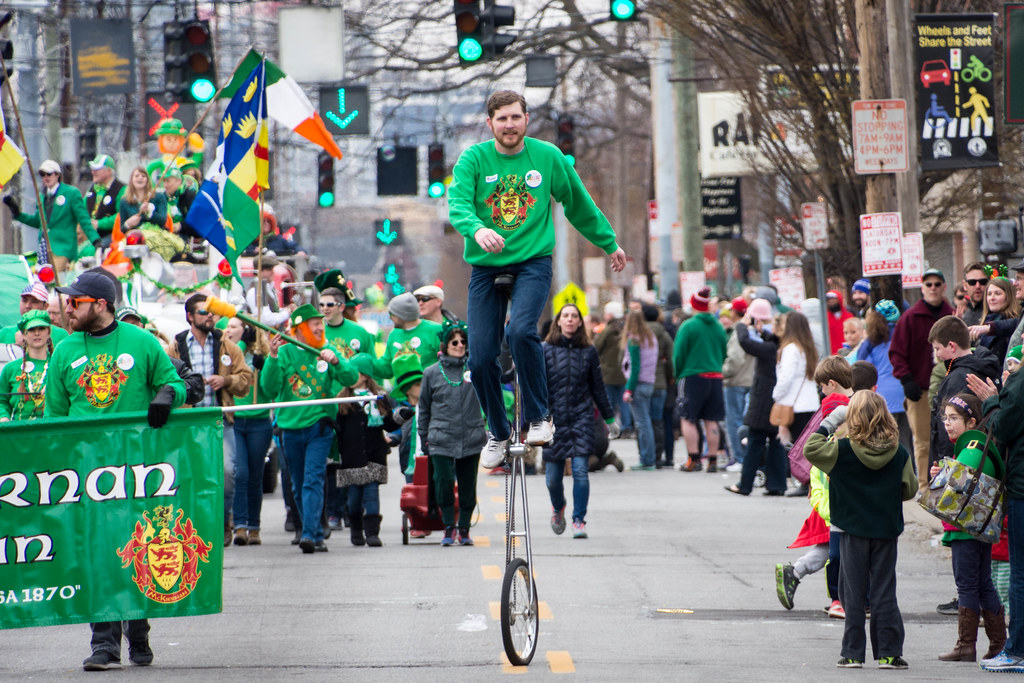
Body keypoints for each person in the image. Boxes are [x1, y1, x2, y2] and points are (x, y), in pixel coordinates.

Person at [447, 90, 625, 468]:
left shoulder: (547, 157)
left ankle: (540, 417)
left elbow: (579, 203)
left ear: (526, 119)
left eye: (515, 117)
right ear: (490, 123)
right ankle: (496, 432)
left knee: (521, 331)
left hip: (532, 262)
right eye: (501, 119)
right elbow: (459, 204)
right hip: (486, 265)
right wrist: (477, 230)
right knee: (479, 358)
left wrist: (609, 244)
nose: (509, 124)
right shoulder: (473, 159)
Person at [44, 270, 186, 672]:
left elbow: (174, 381)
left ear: (100, 305)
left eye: (76, 302)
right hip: (87, 473)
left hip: (138, 469)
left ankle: (137, 629)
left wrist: (164, 395)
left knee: (136, 548)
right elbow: (54, 416)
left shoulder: (141, 343)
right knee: (98, 556)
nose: (68, 308)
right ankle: (104, 643)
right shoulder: (64, 350)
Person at [804, 391, 917, 670]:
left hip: (850, 529)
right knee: (884, 590)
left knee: (852, 592)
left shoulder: (840, 450)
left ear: (850, 417)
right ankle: (889, 652)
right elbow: (910, 490)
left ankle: (853, 653)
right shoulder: (899, 452)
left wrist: (832, 420)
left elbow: (810, 448)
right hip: (885, 530)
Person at [260, 304, 357, 553]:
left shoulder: (327, 349)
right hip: (290, 427)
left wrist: (336, 361)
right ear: (300, 329)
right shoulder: (285, 353)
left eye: (320, 323)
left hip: (319, 426)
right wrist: (271, 357)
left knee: (313, 479)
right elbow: (269, 389)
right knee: (297, 482)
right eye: (314, 324)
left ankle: (312, 534)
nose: (319, 327)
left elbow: (350, 377)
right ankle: (310, 529)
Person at [929, 393, 1006, 662]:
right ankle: (998, 644)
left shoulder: (972, 448)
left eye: (954, 418)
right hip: (979, 528)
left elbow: (955, 484)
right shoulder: (978, 446)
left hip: (965, 528)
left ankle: (966, 645)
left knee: (967, 586)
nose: (947, 424)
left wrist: (940, 476)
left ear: (971, 421)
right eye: (945, 418)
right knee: (983, 584)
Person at [171, 294, 253, 547]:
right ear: (189, 316)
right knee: (191, 476)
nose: (209, 317)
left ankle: (223, 520)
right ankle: (198, 527)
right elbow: (163, 381)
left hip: (220, 419)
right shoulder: (175, 346)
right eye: (202, 312)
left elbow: (245, 380)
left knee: (229, 473)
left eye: (211, 313)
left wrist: (225, 380)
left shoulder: (227, 345)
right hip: (189, 423)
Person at [775, 356, 853, 614]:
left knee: (833, 542)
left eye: (821, 386)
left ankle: (796, 573)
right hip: (837, 487)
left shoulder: (835, 404)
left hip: (826, 486)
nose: (822, 392)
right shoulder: (847, 406)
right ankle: (838, 599)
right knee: (840, 544)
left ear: (831, 384)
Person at [542, 303, 617, 539]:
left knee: (580, 472)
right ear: (558, 321)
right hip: (553, 421)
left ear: (580, 322)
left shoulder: (589, 351)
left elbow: (598, 387)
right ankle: (558, 507)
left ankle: (579, 520)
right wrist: (530, 421)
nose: (571, 320)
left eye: (575, 316)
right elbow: (535, 387)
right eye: (566, 316)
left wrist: (609, 418)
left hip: (582, 418)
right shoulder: (545, 350)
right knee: (553, 478)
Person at [418, 321, 487, 546]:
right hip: (440, 437)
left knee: (469, 485)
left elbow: (491, 395)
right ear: (445, 345)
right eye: (454, 342)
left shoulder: (476, 369)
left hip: (471, 436)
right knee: (443, 481)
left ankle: (464, 529)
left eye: (463, 342)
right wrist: (423, 436)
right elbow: (424, 407)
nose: (459, 345)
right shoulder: (431, 373)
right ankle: (449, 526)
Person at [889, 268, 955, 493]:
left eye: (937, 284)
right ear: (922, 288)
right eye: (929, 284)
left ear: (944, 287)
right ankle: (925, 487)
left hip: (950, 387)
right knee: (923, 440)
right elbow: (896, 352)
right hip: (921, 390)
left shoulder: (952, 314)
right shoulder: (910, 318)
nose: (933, 288)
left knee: (949, 438)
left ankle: (950, 485)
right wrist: (907, 379)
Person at [335, 353, 401, 548]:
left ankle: (372, 533)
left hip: (375, 454)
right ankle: (356, 528)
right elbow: (338, 429)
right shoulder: (343, 400)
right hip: (351, 457)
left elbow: (388, 424)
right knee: (354, 498)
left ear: (364, 375)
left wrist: (400, 417)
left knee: (372, 494)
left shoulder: (379, 398)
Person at [725, 299, 786, 496]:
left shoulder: (769, 349)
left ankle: (745, 485)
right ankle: (776, 485)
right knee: (775, 442)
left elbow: (745, 343)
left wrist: (743, 325)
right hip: (775, 401)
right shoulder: (778, 344)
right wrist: (760, 329)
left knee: (754, 442)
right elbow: (768, 340)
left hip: (763, 400)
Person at [927, 315, 1000, 466]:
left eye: (937, 348)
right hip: (983, 455)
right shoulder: (984, 365)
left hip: (962, 460)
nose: (937, 354)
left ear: (952, 346)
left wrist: (944, 464)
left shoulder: (957, 379)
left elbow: (950, 428)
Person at [3, 159, 101, 271]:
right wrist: (17, 213)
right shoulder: (42, 197)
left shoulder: (71, 193)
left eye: (49, 174)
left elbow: (84, 220)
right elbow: (38, 222)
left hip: (62, 249)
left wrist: (95, 240)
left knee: (55, 279)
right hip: (44, 250)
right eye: (42, 174)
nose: (46, 177)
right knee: (45, 282)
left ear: (57, 175)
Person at [225, 322, 272, 546]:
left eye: (235, 326)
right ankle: (240, 525)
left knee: (255, 476)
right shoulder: (232, 351)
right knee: (240, 473)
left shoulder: (262, 355)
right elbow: (228, 369)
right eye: (230, 326)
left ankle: (254, 526)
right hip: (236, 420)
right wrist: (243, 342)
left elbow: (270, 389)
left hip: (259, 421)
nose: (229, 330)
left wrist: (268, 366)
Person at [673, 287, 727, 473]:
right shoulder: (718, 326)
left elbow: (679, 354)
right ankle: (712, 460)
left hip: (693, 375)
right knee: (711, 420)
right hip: (715, 375)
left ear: (694, 306)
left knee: (688, 418)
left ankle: (693, 458)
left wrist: (678, 373)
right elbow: (724, 351)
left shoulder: (688, 326)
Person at [857, 302, 910, 451]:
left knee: (885, 443)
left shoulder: (870, 343)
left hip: (881, 397)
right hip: (905, 395)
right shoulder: (905, 338)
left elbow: (861, 367)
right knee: (906, 442)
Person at [772, 311, 820, 450]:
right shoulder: (809, 349)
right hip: (811, 403)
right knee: (807, 449)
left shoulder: (791, 349)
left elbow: (786, 378)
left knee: (795, 450)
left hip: (794, 406)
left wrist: (776, 396)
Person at [621, 310, 658, 470]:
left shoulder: (634, 340)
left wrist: (629, 389)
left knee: (642, 424)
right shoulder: (650, 337)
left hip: (639, 384)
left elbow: (635, 366)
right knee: (646, 421)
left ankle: (647, 459)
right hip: (649, 382)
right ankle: (648, 458)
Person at [722, 297, 755, 472]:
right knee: (744, 420)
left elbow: (734, 358)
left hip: (736, 381)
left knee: (734, 421)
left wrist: (723, 372)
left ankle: (740, 458)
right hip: (749, 379)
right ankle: (744, 457)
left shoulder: (738, 331)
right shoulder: (750, 329)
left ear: (734, 313)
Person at [0, 310, 53, 421]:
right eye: (31, 329)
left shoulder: (58, 365)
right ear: (23, 334)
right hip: (19, 433)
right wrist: (3, 417)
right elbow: (2, 400)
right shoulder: (11, 368)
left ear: (49, 332)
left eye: (41, 328)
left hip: (51, 433)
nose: (37, 333)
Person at [594, 301, 631, 437]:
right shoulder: (625, 328)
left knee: (607, 402)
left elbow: (596, 346)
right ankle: (627, 427)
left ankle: (609, 428)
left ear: (610, 314)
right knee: (623, 403)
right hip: (623, 372)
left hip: (608, 373)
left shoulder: (607, 330)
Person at [383, 291, 443, 370]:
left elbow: (447, 363)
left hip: (429, 382)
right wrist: (368, 362)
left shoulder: (436, 330)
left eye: (391, 314)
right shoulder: (394, 334)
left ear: (402, 315)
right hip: (401, 382)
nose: (390, 318)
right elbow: (387, 368)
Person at [969, 275, 1021, 364]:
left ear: (1009, 296)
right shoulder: (985, 320)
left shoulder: (1016, 321)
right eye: (989, 294)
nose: (992, 298)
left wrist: (989, 328)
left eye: (997, 293)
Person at [0, 281, 69, 345]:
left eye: (34, 301)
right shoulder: (5, 333)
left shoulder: (60, 334)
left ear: (45, 306)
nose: (28, 306)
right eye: (24, 300)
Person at [83, 154, 125, 246]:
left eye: (97, 169)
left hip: (113, 236)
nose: (93, 172)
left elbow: (121, 216)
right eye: (92, 169)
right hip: (92, 237)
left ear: (109, 171)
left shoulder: (121, 189)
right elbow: (81, 209)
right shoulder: (92, 189)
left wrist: (99, 224)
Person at [245, 255, 291, 329]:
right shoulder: (255, 291)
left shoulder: (267, 288)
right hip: (261, 338)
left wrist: (286, 309)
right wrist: (287, 313)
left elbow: (273, 311)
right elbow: (266, 320)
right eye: (270, 269)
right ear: (260, 271)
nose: (273, 272)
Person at [959, 261, 989, 327]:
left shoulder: (997, 311)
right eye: (972, 282)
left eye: (983, 282)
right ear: (965, 285)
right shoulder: (965, 316)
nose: (978, 286)